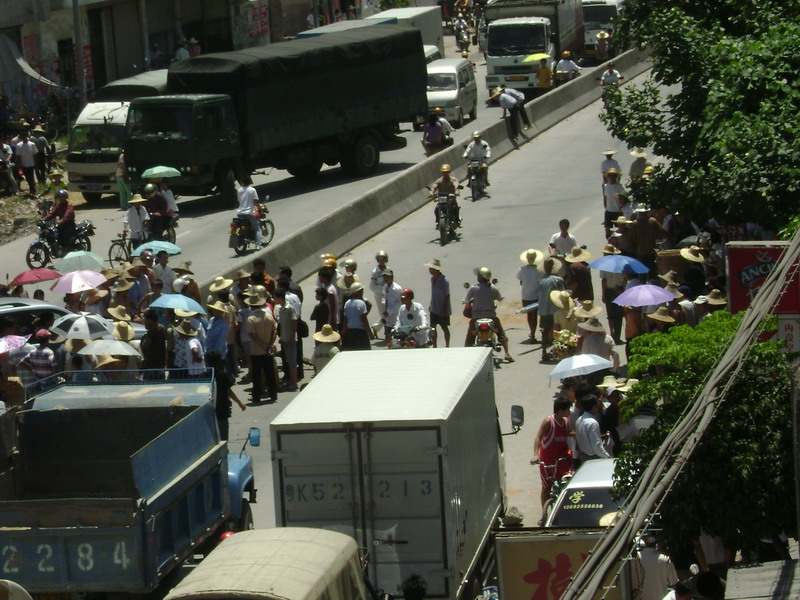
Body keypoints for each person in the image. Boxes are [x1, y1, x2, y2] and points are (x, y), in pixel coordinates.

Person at [464, 267, 513, 361]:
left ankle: (467, 354)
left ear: (482, 277)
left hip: (476, 317)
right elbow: (499, 298)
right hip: (491, 316)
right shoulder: (493, 288)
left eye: (479, 276)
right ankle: (507, 353)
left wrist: (467, 302)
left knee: (470, 337)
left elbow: (466, 300)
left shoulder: (473, 288)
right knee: (501, 334)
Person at [532, 397, 573, 505]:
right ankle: (544, 512)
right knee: (546, 488)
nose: (569, 412)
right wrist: (536, 455)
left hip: (562, 460)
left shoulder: (566, 421)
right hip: (548, 461)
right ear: (560, 410)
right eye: (568, 410)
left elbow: (568, 433)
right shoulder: (548, 422)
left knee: (567, 482)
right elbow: (539, 437)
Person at [246, 290, 278, 403]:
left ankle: (256, 395)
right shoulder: (269, 316)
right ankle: (273, 394)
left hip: (256, 351)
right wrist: (270, 344)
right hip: (268, 350)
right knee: (270, 373)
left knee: (256, 374)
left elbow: (252, 335)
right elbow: (274, 331)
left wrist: (262, 345)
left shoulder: (251, 319)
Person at [206, 350, 245, 440]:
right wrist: (240, 403)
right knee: (223, 437)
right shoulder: (222, 375)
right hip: (222, 410)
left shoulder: (206, 375)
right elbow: (229, 391)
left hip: (209, 411)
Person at [537, 257, 565, 360]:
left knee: (544, 332)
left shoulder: (540, 280)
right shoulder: (558, 280)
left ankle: (544, 351)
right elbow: (563, 293)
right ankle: (556, 351)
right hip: (555, 310)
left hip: (543, 309)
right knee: (557, 331)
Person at [273, 289, 298, 391]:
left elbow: (294, 322)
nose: (273, 299)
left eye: (275, 297)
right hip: (285, 339)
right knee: (288, 361)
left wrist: (292, 337)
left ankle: (294, 383)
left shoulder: (289, 308)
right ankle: (291, 381)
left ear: (279, 298)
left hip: (290, 339)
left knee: (292, 362)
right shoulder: (280, 309)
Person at [517, 249, 543, 342]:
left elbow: (521, 282)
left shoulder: (522, 269)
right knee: (534, 315)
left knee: (529, 314)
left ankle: (532, 333)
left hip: (525, 295)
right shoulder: (539, 270)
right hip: (536, 295)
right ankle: (533, 332)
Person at [425, 258, 451, 348]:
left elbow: (447, 296)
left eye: (431, 269)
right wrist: (431, 303)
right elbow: (433, 293)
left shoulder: (444, 281)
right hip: (434, 308)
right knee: (433, 327)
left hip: (442, 308)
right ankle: (435, 345)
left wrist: (444, 310)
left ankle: (447, 345)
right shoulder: (433, 279)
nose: (429, 270)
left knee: (444, 327)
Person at [576, 395, 610, 462]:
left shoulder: (579, 420)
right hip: (593, 458)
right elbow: (596, 446)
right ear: (594, 407)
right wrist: (607, 456)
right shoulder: (592, 423)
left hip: (583, 456)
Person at [341, 282, 373, 350]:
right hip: (360, 332)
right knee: (364, 351)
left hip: (350, 332)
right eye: (361, 291)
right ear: (356, 292)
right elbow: (364, 319)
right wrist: (370, 333)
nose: (362, 292)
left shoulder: (347, 303)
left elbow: (346, 319)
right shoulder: (361, 303)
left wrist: (344, 331)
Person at [430, 163, 461, 227]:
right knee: (436, 209)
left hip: (450, 199)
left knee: (455, 208)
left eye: (447, 172)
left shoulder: (453, 179)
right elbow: (434, 186)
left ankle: (457, 221)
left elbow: (456, 185)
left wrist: (456, 191)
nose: (445, 173)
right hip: (442, 199)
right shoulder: (439, 180)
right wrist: (431, 192)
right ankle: (438, 222)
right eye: (444, 172)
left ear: (449, 172)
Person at [237, 175, 263, 247]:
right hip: (249, 213)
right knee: (257, 229)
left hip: (240, 213)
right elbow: (255, 202)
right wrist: (260, 208)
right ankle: (258, 245)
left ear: (242, 182)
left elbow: (239, 200)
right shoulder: (252, 190)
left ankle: (246, 237)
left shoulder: (239, 190)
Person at [369, 250, 390, 334]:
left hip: (389, 295)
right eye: (379, 259)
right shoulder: (375, 272)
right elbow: (372, 286)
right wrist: (383, 289)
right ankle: (385, 331)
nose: (381, 261)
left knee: (390, 313)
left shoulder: (388, 269)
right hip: (379, 296)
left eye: (383, 259)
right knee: (384, 314)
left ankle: (377, 327)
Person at [381, 269, 403, 345]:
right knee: (388, 338)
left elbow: (400, 303)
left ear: (391, 277)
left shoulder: (397, 289)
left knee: (396, 339)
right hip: (387, 319)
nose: (385, 278)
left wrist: (389, 311)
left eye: (387, 277)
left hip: (395, 318)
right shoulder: (385, 287)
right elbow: (384, 297)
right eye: (384, 277)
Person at [602, 167, 626, 237]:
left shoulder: (619, 186)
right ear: (608, 176)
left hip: (617, 210)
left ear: (616, 177)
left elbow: (623, 197)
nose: (612, 177)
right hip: (609, 210)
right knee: (607, 229)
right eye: (610, 175)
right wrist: (605, 206)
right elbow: (605, 197)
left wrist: (622, 207)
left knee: (620, 230)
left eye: (614, 175)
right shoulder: (606, 186)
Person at [14, 131, 38, 196]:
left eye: (25, 136)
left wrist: (36, 164)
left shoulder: (32, 144)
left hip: (31, 164)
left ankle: (32, 190)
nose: (24, 138)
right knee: (27, 178)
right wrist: (20, 164)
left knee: (31, 177)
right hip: (24, 165)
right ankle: (32, 189)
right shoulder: (19, 145)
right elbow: (18, 156)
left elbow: (35, 154)